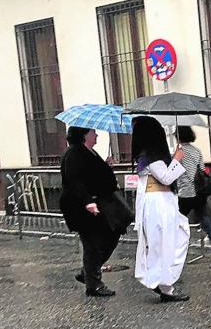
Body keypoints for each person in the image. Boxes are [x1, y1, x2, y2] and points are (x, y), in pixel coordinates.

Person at [132, 116, 190, 302]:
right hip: (158, 203)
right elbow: (166, 178)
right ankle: (164, 285)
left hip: (161, 202)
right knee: (165, 243)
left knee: (167, 241)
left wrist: (174, 159)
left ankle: (164, 283)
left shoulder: (148, 155)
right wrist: (177, 160)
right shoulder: (150, 156)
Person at [59, 127, 121, 297]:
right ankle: (93, 285)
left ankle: (87, 272)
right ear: (85, 135)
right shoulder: (74, 153)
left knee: (112, 233)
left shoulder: (90, 152)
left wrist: (107, 166)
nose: (97, 135)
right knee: (92, 243)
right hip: (80, 206)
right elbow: (74, 180)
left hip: (95, 203)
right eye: (93, 132)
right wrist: (87, 202)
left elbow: (98, 177)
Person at [176, 126, 211, 269]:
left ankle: (174, 257)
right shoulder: (197, 151)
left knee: (174, 225)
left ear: (179, 137)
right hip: (199, 193)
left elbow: (173, 171)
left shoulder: (179, 153)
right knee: (207, 224)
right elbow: (203, 170)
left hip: (185, 194)